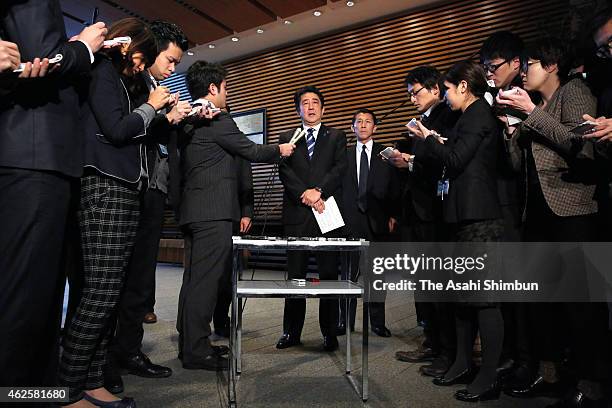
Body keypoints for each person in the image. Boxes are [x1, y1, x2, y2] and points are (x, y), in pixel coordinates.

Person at [497, 37, 608, 408]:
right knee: (544, 303)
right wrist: (512, 132)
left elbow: (584, 144)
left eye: (529, 64)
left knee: (582, 304)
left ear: (552, 66)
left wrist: (532, 114)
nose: (523, 71)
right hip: (538, 214)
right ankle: (551, 375)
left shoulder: (573, 92)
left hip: (575, 210)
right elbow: (518, 166)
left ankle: (591, 385)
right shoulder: (538, 105)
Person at [59, 18, 164, 408]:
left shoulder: (119, 79)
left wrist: (154, 110)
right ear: (129, 49)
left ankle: (91, 380)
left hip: (123, 188)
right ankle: (67, 389)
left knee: (108, 294)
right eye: (142, 59)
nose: (142, 67)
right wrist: (152, 108)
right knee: (99, 297)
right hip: (103, 188)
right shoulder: (102, 73)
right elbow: (118, 130)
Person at [0, 0, 106, 388]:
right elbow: (43, 60)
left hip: (39, 157)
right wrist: (85, 47)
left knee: (42, 301)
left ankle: (37, 394)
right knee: (26, 302)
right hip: (33, 155)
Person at [391, 60, 505, 402]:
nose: (446, 95)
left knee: (484, 302)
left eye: (449, 89)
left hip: (479, 216)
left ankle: (487, 375)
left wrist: (427, 139)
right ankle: (461, 362)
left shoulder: (478, 115)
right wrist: (436, 140)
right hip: (459, 215)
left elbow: (454, 161)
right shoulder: (465, 117)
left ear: (463, 87)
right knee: (461, 298)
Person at [176, 60, 295, 371]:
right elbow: (251, 151)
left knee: (193, 280)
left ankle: (190, 343)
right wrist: (280, 150)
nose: (227, 94)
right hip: (214, 213)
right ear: (213, 88)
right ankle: (197, 351)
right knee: (205, 283)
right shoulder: (218, 120)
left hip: (194, 211)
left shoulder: (190, 122)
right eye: (226, 87)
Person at [110, 20, 191, 387]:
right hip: (128, 185)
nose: (173, 68)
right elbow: (124, 130)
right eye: (171, 60)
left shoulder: (156, 86)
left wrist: (174, 118)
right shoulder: (132, 80)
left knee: (142, 279)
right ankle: (106, 358)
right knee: (116, 277)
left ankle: (128, 350)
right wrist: (162, 115)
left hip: (155, 186)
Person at [391, 66, 459, 379]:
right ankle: (431, 341)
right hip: (416, 211)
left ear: (434, 89)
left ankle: (449, 351)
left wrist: (411, 160)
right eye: (409, 94)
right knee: (423, 284)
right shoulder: (423, 121)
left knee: (439, 286)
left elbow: (444, 159)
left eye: (415, 92)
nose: (412, 99)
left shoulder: (447, 115)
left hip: (435, 211)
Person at [276, 85, 348, 352]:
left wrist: (318, 192)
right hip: (297, 214)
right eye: (304, 103)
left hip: (325, 211)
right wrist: (304, 194)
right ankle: (291, 332)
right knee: (295, 277)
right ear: (298, 109)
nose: (310, 106)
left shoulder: (336, 136)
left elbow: (340, 168)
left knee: (329, 276)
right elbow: (284, 172)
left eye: (315, 102)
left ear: (323, 107)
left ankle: (330, 333)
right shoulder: (287, 136)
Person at [339, 108, 398, 338]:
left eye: (367, 122)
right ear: (353, 127)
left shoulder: (387, 153)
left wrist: (394, 214)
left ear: (375, 127)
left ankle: (377, 323)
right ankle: (345, 321)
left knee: (377, 276)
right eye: (358, 122)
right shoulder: (343, 155)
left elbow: (395, 185)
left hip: (378, 221)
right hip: (350, 221)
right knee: (348, 275)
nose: (363, 125)